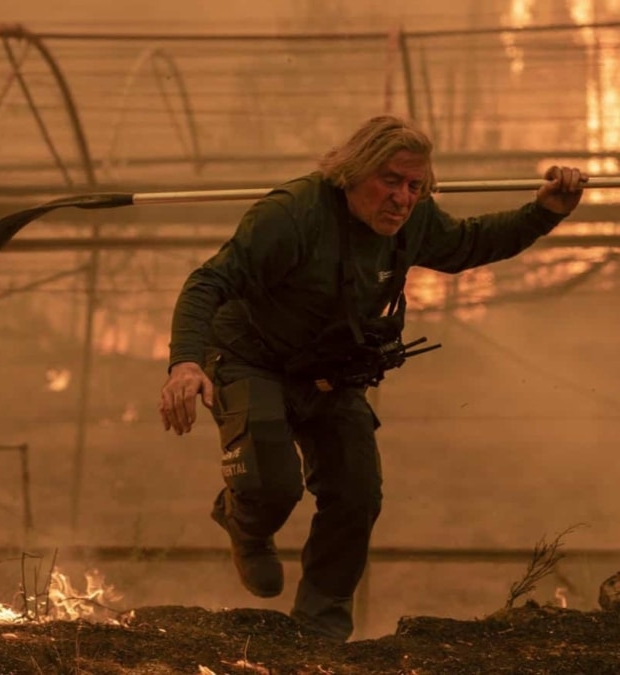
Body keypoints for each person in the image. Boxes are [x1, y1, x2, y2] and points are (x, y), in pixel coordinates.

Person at [158, 115, 586, 642]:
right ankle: (244, 520)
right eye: (390, 181)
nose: (402, 199)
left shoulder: (414, 219)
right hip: (252, 358)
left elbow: (469, 244)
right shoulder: (291, 215)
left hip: (332, 372)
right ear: (353, 172)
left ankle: (320, 628)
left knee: (356, 493)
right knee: (270, 483)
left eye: (414, 186)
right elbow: (207, 282)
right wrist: (185, 363)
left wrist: (545, 213)